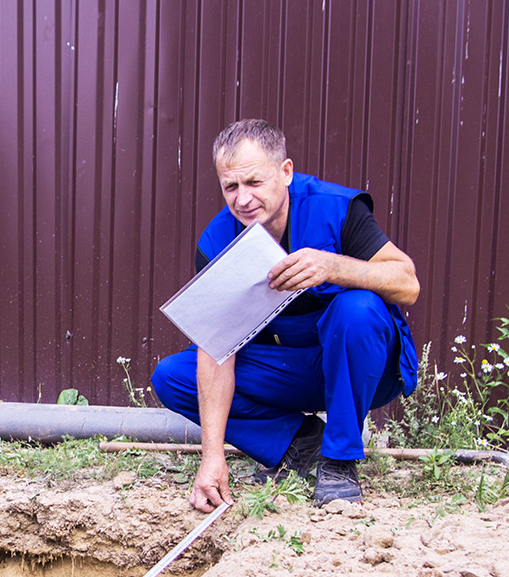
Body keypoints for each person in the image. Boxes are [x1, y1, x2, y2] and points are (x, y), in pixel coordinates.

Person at [152, 119, 420, 509]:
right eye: (231, 186)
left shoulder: (337, 209)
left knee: (357, 308)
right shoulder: (216, 243)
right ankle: (300, 441)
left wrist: (334, 267)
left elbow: (408, 283)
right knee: (173, 377)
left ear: (286, 172)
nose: (242, 199)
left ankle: (340, 461)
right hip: (287, 368)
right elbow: (217, 347)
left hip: (361, 367)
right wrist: (213, 457)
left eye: (254, 183)